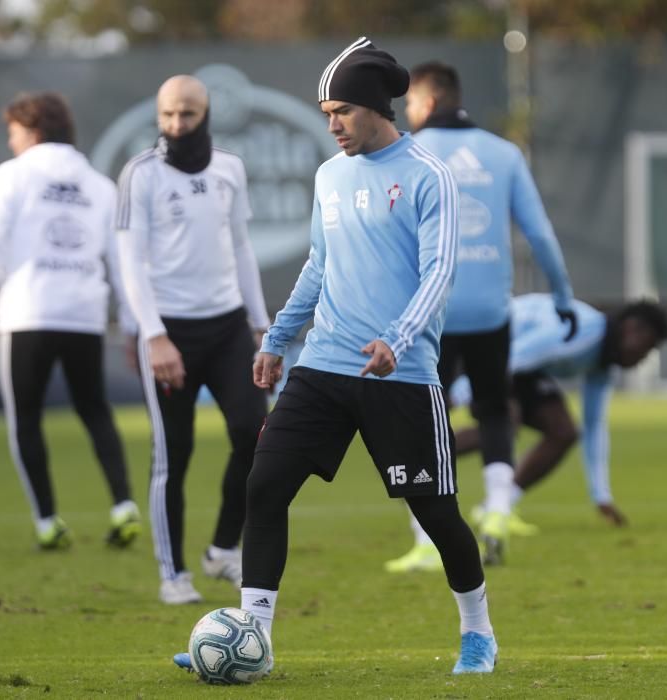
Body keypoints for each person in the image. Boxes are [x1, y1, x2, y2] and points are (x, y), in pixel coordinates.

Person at [175, 36, 498, 675]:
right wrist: (276, 339)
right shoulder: (329, 175)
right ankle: (255, 642)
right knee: (262, 486)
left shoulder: (430, 175)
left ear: (379, 107)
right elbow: (318, 267)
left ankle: (478, 632)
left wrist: (398, 339)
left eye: (341, 111)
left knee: (435, 514)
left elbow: (440, 274)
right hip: (321, 365)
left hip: (400, 373)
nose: (332, 126)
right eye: (325, 113)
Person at [399, 61, 576, 565]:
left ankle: (424, 543)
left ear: (428, 102)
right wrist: (562, 298)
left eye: (410, 103)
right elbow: (540, 234)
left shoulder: (408, 154)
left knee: (423, 421)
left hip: (428, 311)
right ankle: (498, 507)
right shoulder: (505, 153)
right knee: (495, 410)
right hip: (489, 313)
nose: (407, 114)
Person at [115, 75, 270, 605]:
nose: (177, 124)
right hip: (170, 331)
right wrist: (153, 336)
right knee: (172, 455)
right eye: (167, 115)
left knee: (256, 432)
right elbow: (130, 263)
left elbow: (242, 246)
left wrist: (260, 322)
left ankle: (223, 549)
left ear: (206, 114)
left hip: (229, 325)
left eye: (187, 114)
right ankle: (172, 573)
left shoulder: (230, 168)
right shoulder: (140, 174)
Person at [0, 91, 141, 550]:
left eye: (13, 132)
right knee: (96, 410)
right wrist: (131, 322)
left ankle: (48, 522)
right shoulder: (99, 185)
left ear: (33, 130)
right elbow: (122, 261)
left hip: (26, 312)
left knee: (25, 418)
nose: (10, 142)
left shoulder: (11, 177)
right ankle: (123, 505)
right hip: (83, 314)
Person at [387, 294, 667, 572]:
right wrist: (465, 388)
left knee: (563, 431)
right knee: (503, 423)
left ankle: (497, 505)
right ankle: (415, 470)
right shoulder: (582, 330)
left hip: (519, 365)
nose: (642, 359)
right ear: (632, 328)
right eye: (646, 348)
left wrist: (601, 494)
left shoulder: (602, 362)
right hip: (487, 347)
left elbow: (594, 426)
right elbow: (518, 353)